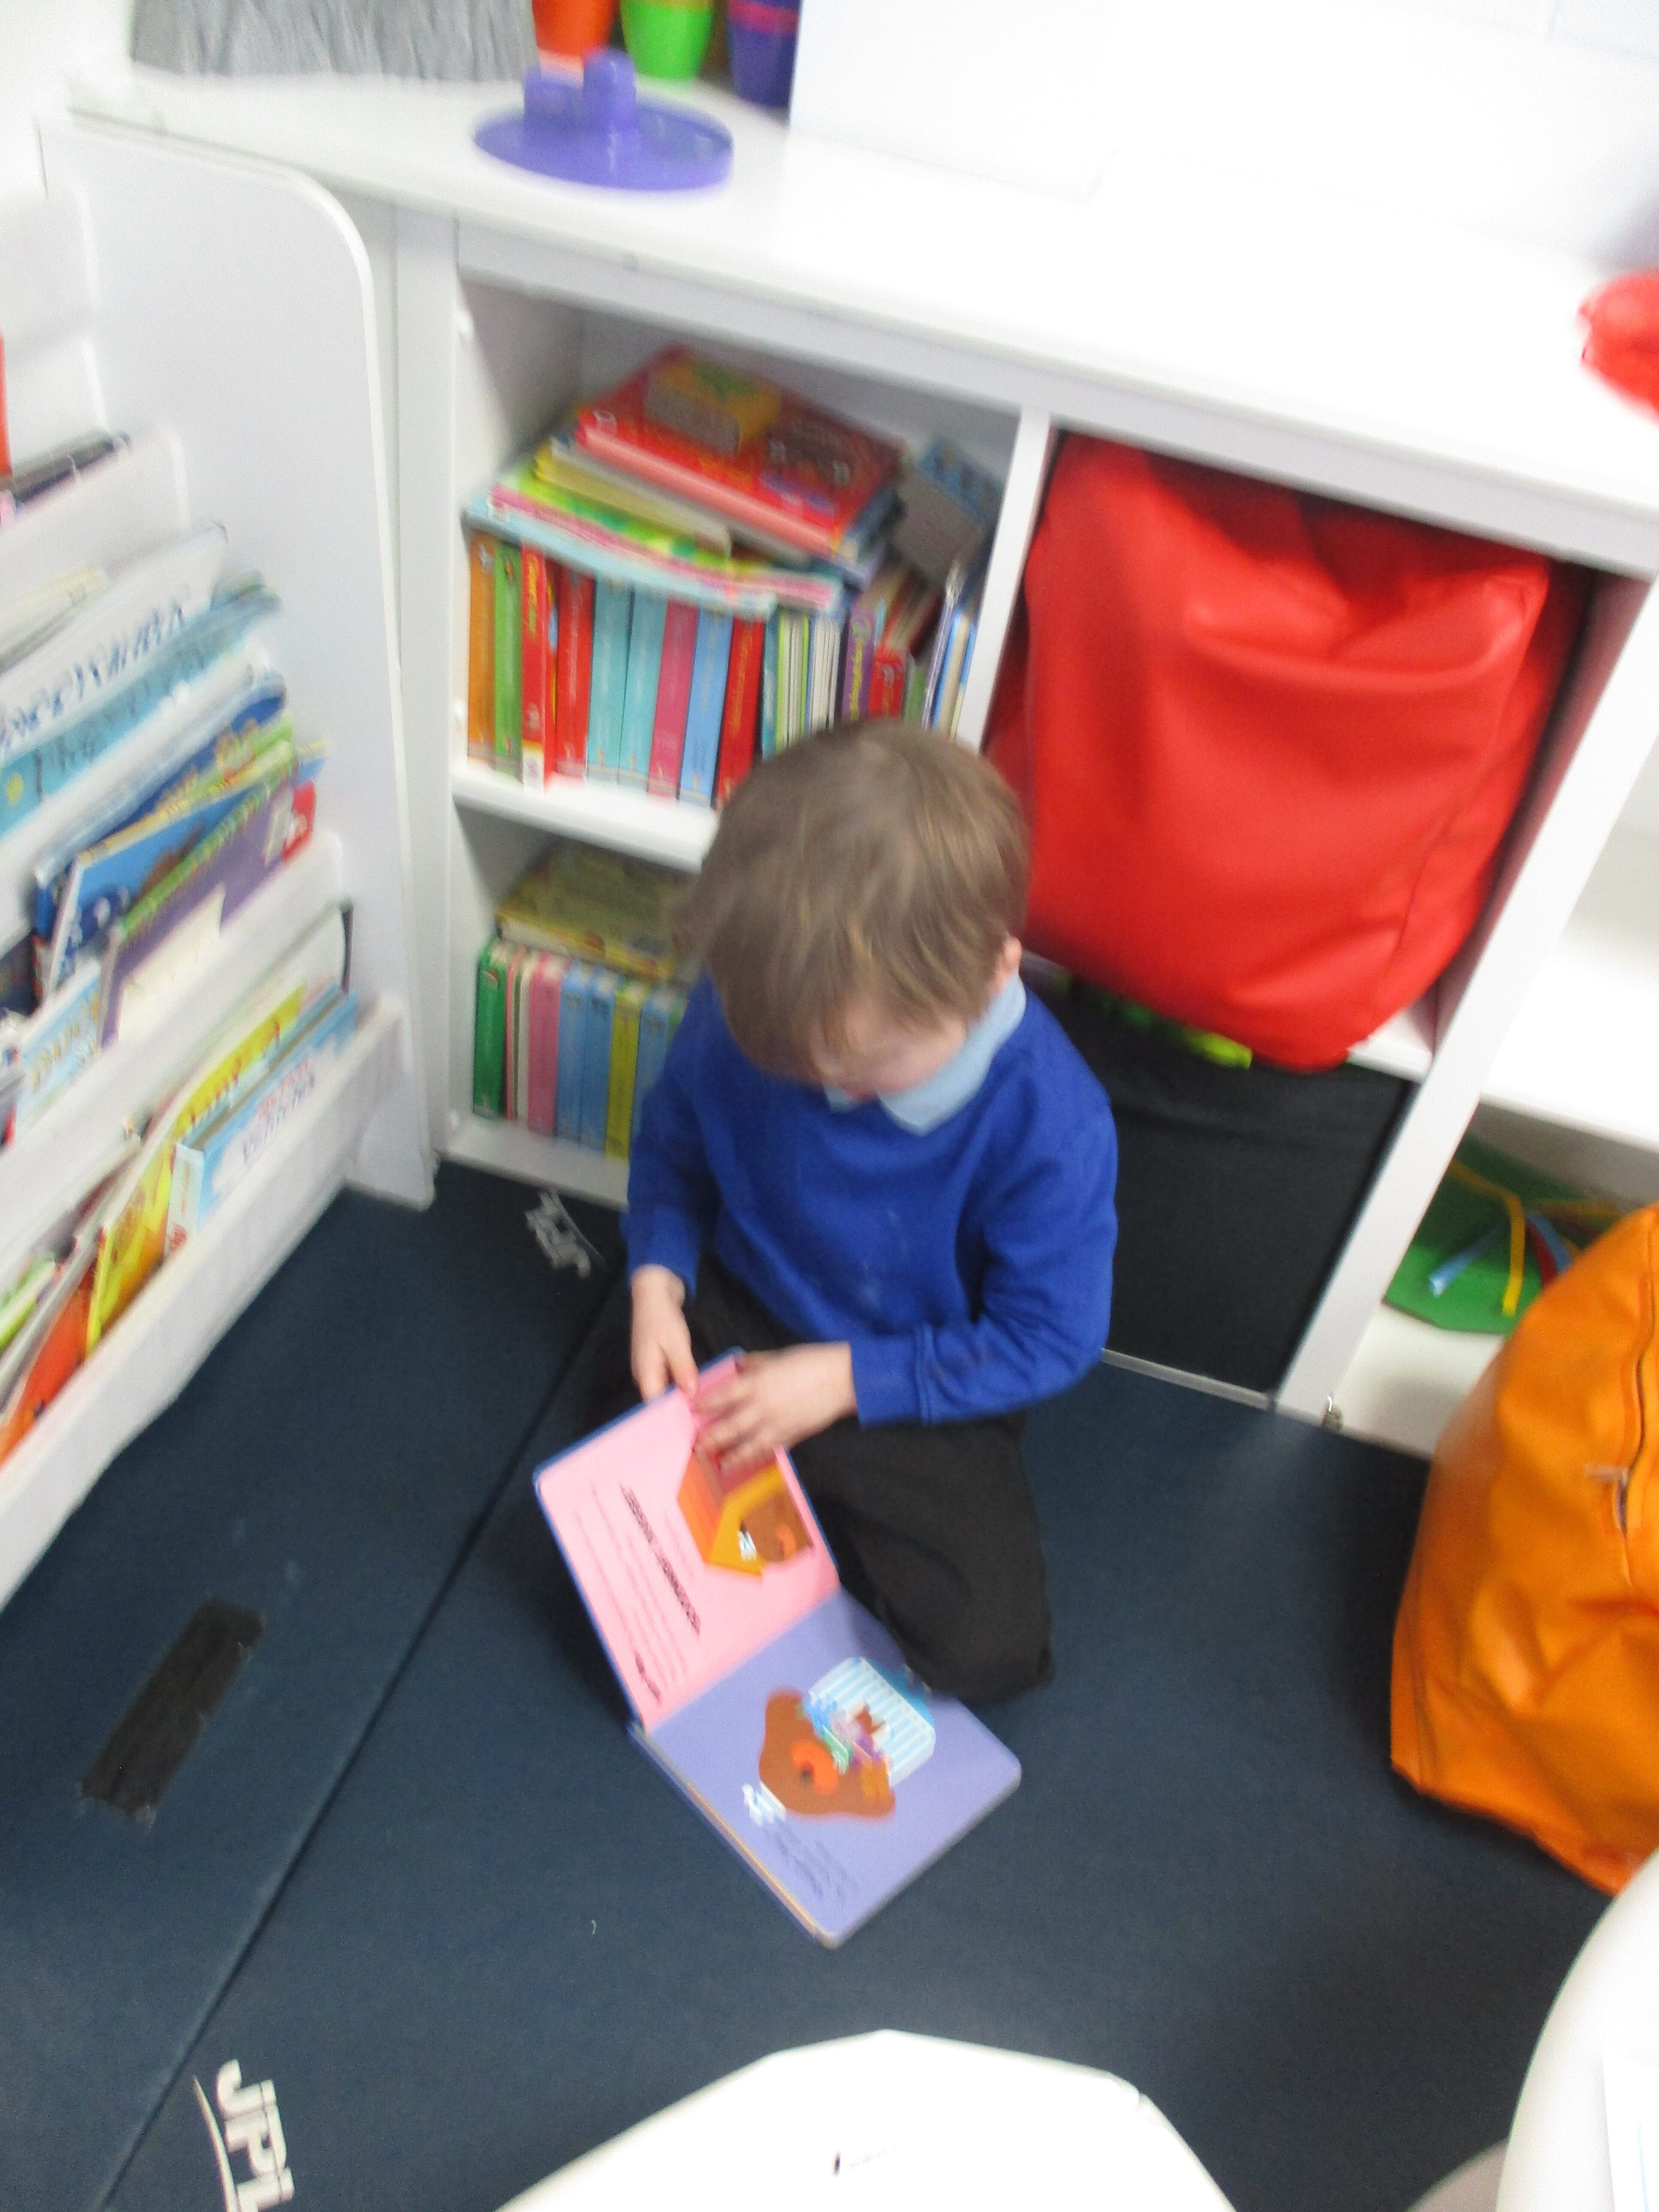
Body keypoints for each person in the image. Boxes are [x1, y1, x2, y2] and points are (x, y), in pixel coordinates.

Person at [599, 719, 1117, 1702]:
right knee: (610, 1568)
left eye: (861, 1068)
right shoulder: (763, 999)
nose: (826, 1088)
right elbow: (676, 1143)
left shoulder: (1051, 1124)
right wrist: (656, 1280)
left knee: (988, 1651)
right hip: (742, 1310)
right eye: (787, 1058)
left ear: (993, 973)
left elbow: (1051, 1337)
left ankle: (821, 1511)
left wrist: (847, 1380)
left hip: (909, 1366)